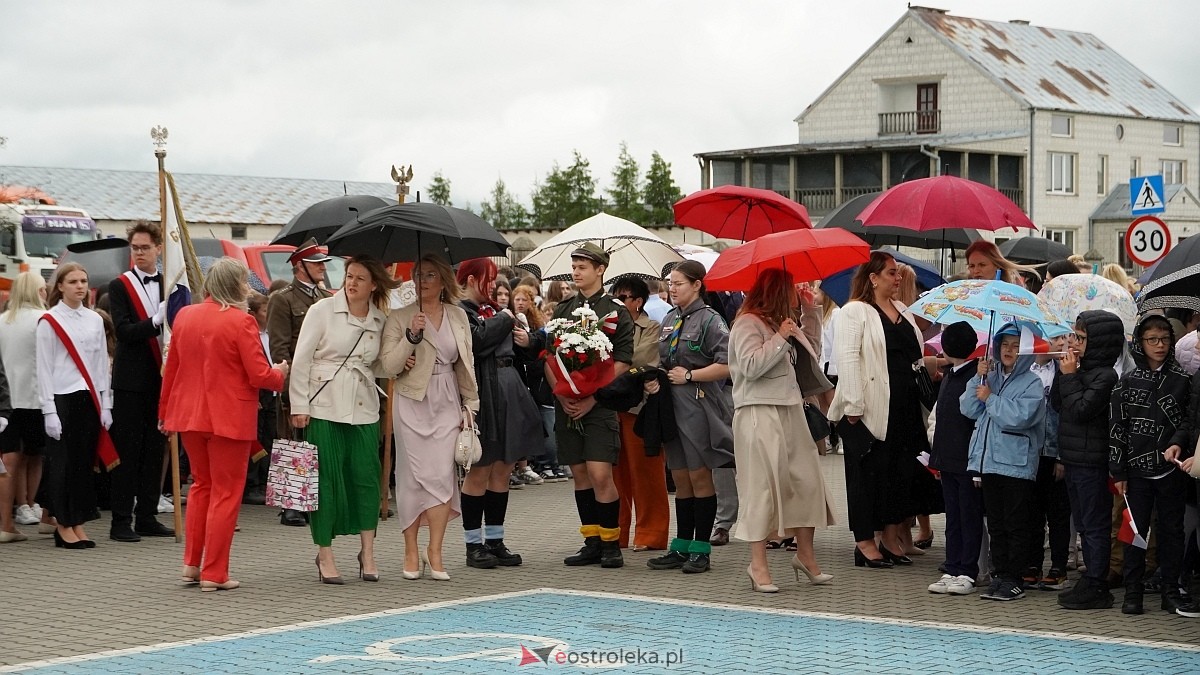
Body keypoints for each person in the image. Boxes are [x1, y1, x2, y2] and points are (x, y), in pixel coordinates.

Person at [160, 258, 288, 590]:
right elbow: (260, 374)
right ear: (234, 286)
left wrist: (165, 412)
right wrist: (282, 374)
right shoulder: (240, 321)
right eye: (245, 282)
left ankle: (192, 564)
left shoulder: (185, 316)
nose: (248, 289)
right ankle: (215, 572)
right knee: (226, 493)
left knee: (202, 486)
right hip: (228, 417)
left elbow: (171, 370)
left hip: (188, 414)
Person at [290, 255, 397, 584]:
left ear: (374, 285)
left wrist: (402, 355)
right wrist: (299, 404)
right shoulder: (322, 310)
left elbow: (377, 366)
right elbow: (302, 359)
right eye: (349, 276)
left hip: (364, 407)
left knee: (366, 478)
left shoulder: (380, 320)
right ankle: (325, 554)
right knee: (326, 481)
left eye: (360, 278)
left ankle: (368, 552)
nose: (351, 283)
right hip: (323, 405)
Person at [730, 268, 836, 592]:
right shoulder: (747, 323)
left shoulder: (782, 321)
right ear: (777, 290)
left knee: (807, 483)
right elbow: (749, 367)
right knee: (761, 489)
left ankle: (806, 556)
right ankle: (757, 564)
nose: (800, 289)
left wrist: (811, 313)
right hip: (758, 412)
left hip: (791, 410)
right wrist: (780, 338)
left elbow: (812, 354)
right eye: (794, 287)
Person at [380, 253, 479, 581]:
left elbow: (466, 362)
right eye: (418, 275)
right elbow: (386, 367)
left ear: (443, 282)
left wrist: (471, 404)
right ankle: (410, 549)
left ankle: (434, 550)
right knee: (411, 478)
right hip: (411, 401)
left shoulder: (458, 316)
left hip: (447, 398)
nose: (422, 281)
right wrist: (410, 337)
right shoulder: (399, 316)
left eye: (430, 275)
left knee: (440, 477)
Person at [828, 251, 926, 568]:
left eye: (898, 273)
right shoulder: (854, 311)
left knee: (898, 476)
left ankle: (890, 538)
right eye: (891, 273)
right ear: (873, 278)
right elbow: (847, 359)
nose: (898, 278)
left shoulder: (901, 309)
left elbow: (915, 355)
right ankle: (865, 543)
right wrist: (854, 406)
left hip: (904, 406)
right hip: (869, 409)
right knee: (866, 477)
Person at [645, 260, 735, 575]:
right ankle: (682, 545)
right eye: (670, 282)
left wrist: (692, 374)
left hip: (699, 407)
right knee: (680, 478)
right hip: (672, 407)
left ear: (697, 285)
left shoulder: (711, 320)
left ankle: (701, 550)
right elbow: (665, 360)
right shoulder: (670, 319)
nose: (672, 288)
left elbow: (727, 365)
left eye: (679, 282)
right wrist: (655, 377)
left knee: (699, 477)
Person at [453, 258, 542, 569]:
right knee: (480, 468)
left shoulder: (490, 312)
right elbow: (477, 342)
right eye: (485, 278)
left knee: (503, 467)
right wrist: (505, 319)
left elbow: (514, 347)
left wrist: (525, 339)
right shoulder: (461, 311)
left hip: (508, 386)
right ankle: (472, 545)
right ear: (468, 279)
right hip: (484, 391)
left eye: (493, 279)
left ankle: (495, 540)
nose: (492, 285)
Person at [550, 243, 634, 569]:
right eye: (574, 266)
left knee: (600, 473)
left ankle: (612, 543)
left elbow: (624, 359)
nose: (576, 272)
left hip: (598, 404)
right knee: (580, 474)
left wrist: (592, 396)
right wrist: (563, 394)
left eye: (582, 266)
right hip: (567, 402)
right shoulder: (563, 309)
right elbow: (550, 354)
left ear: (600, 269)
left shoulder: (615, 310)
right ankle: (592, 542)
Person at [1111, 315, 1194, 616]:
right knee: (1135, 531)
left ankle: (1170, 590)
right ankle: (1132, 592)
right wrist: (1118, 471)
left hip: (1172, 468)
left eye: (1164, 339)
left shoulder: (1182, 380)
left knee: (1172, 530)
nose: (1159, 346)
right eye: (1152, 340)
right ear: (1140, 343)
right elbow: (1117, 427)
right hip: (1135, 471)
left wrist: (1179, 443)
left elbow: (1188, 420)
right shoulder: (1128, 381)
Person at [961, 327, 1046, 602]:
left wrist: (992, 399)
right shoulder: (990, 378)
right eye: (1004, 344)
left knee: (1016, 523)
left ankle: (1015, 577)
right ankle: (1000, 574)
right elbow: (968, 409)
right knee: (996, 524)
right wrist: (978, 377)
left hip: (1016, 463)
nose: (1009, 350)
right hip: (989, 463)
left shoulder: (1032, 383)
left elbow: (1021, 417)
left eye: (1015, 345)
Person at [1052, 309, 1125, 610]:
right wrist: (1064, 373)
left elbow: (1081, 410)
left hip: (1092, 461)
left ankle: (1097, 583)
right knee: (1082, 522)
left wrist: (1070, 377)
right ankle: (1091, 578)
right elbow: (1059, 404)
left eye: (1082, 338)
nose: (1076, 344)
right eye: (1075, 337)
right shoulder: (1080, 371)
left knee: (1094, 525)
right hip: (1074, 458)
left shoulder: (1107, 377)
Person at [107, 222, 174, 542]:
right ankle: (121, 520)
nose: (140, 253)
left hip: (160, 379)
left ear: (159, 248)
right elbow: (123, 332)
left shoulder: (168, 284)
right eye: (135, 248)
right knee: (128, 451)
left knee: (154, 451)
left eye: (146, 247)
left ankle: (147, 516)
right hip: (130, 382)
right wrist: (155, 322)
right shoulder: (120, 286)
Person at [37, 262, 110, 550]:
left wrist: (107, 404)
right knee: (63, 464)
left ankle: (78, 520)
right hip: (61, 397)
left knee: (83, 463)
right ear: (60, 286)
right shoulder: (49, 320)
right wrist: (49, 411)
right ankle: (63, 523)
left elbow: (101, 364)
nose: (80, 286)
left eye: (83, 280)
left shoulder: (94, 320)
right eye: (73, 281)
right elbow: (43, 368)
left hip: (88, 397)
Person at [266, 238, 332, 526]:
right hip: (297, 380)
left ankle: (311, 499)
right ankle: (290, 504)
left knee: (315, 442)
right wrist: (289, 387)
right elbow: (280, 348)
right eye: (316, 262)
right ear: (299, 266)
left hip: (323, 381)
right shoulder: (283, 299)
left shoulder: (324, 298)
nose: (321, 268)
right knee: (293, 442)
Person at [609, 276, 669, 552]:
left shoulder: (652, 327)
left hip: (639, 409)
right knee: (613, 476)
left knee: (646, 474)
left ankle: (650, 533)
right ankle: (615, 533)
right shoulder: (605, 326)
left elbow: (640, 360)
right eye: (615, 298)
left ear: (638, 302)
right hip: (609, 407)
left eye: (623, 298)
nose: (618, 304)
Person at [926, 322, 984, 595]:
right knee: (953, 518)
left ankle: (968, 570)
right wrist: (936, 459)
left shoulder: (977, 377)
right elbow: (942, 421)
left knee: (968, 516)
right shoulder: (950, 375)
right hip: (948, 460)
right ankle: (952, 566)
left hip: (968, 461)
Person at [0, 272, 48, 540]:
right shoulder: (43, 320)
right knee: (38, 456)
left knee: (11, 460)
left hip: (8, 400)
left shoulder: (2, 322)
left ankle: (7, 522)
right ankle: (37, 508)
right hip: (36, 396)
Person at [1025, 334, 1072, 592]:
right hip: (1028, 453)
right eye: (1047, 338)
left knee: (1057, 514)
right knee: (1032, 513)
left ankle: (1059, 567)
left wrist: (1061, 456)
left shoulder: (1064, 371)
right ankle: (1032, 565)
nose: (1053, 343)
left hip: (1054, 453)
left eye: (1058, 338)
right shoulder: (1023, 369)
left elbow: (1066, 417)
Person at [244, 292, 274, 505]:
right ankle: (251, 484)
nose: (268, 314)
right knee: (256, 437)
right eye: (264, 311)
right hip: (258, 394)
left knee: (269, 438)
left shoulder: (270, 334)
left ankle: (265, 481)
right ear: (253, 314)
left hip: (272, 393)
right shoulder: (250, 334)